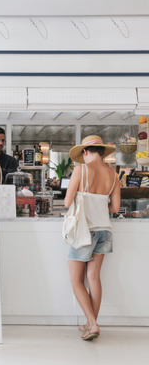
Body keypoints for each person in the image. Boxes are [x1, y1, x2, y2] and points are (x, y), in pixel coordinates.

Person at [64, 135, 120, 341]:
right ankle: (90, 323)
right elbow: (114, 208)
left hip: (83, 231)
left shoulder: (80, 170)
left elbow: (68, 202)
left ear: (85, 152)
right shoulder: (114, 176)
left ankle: (93, 324)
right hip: (105, 230)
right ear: (103, 152)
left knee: (76, 279)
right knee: (93, 278)